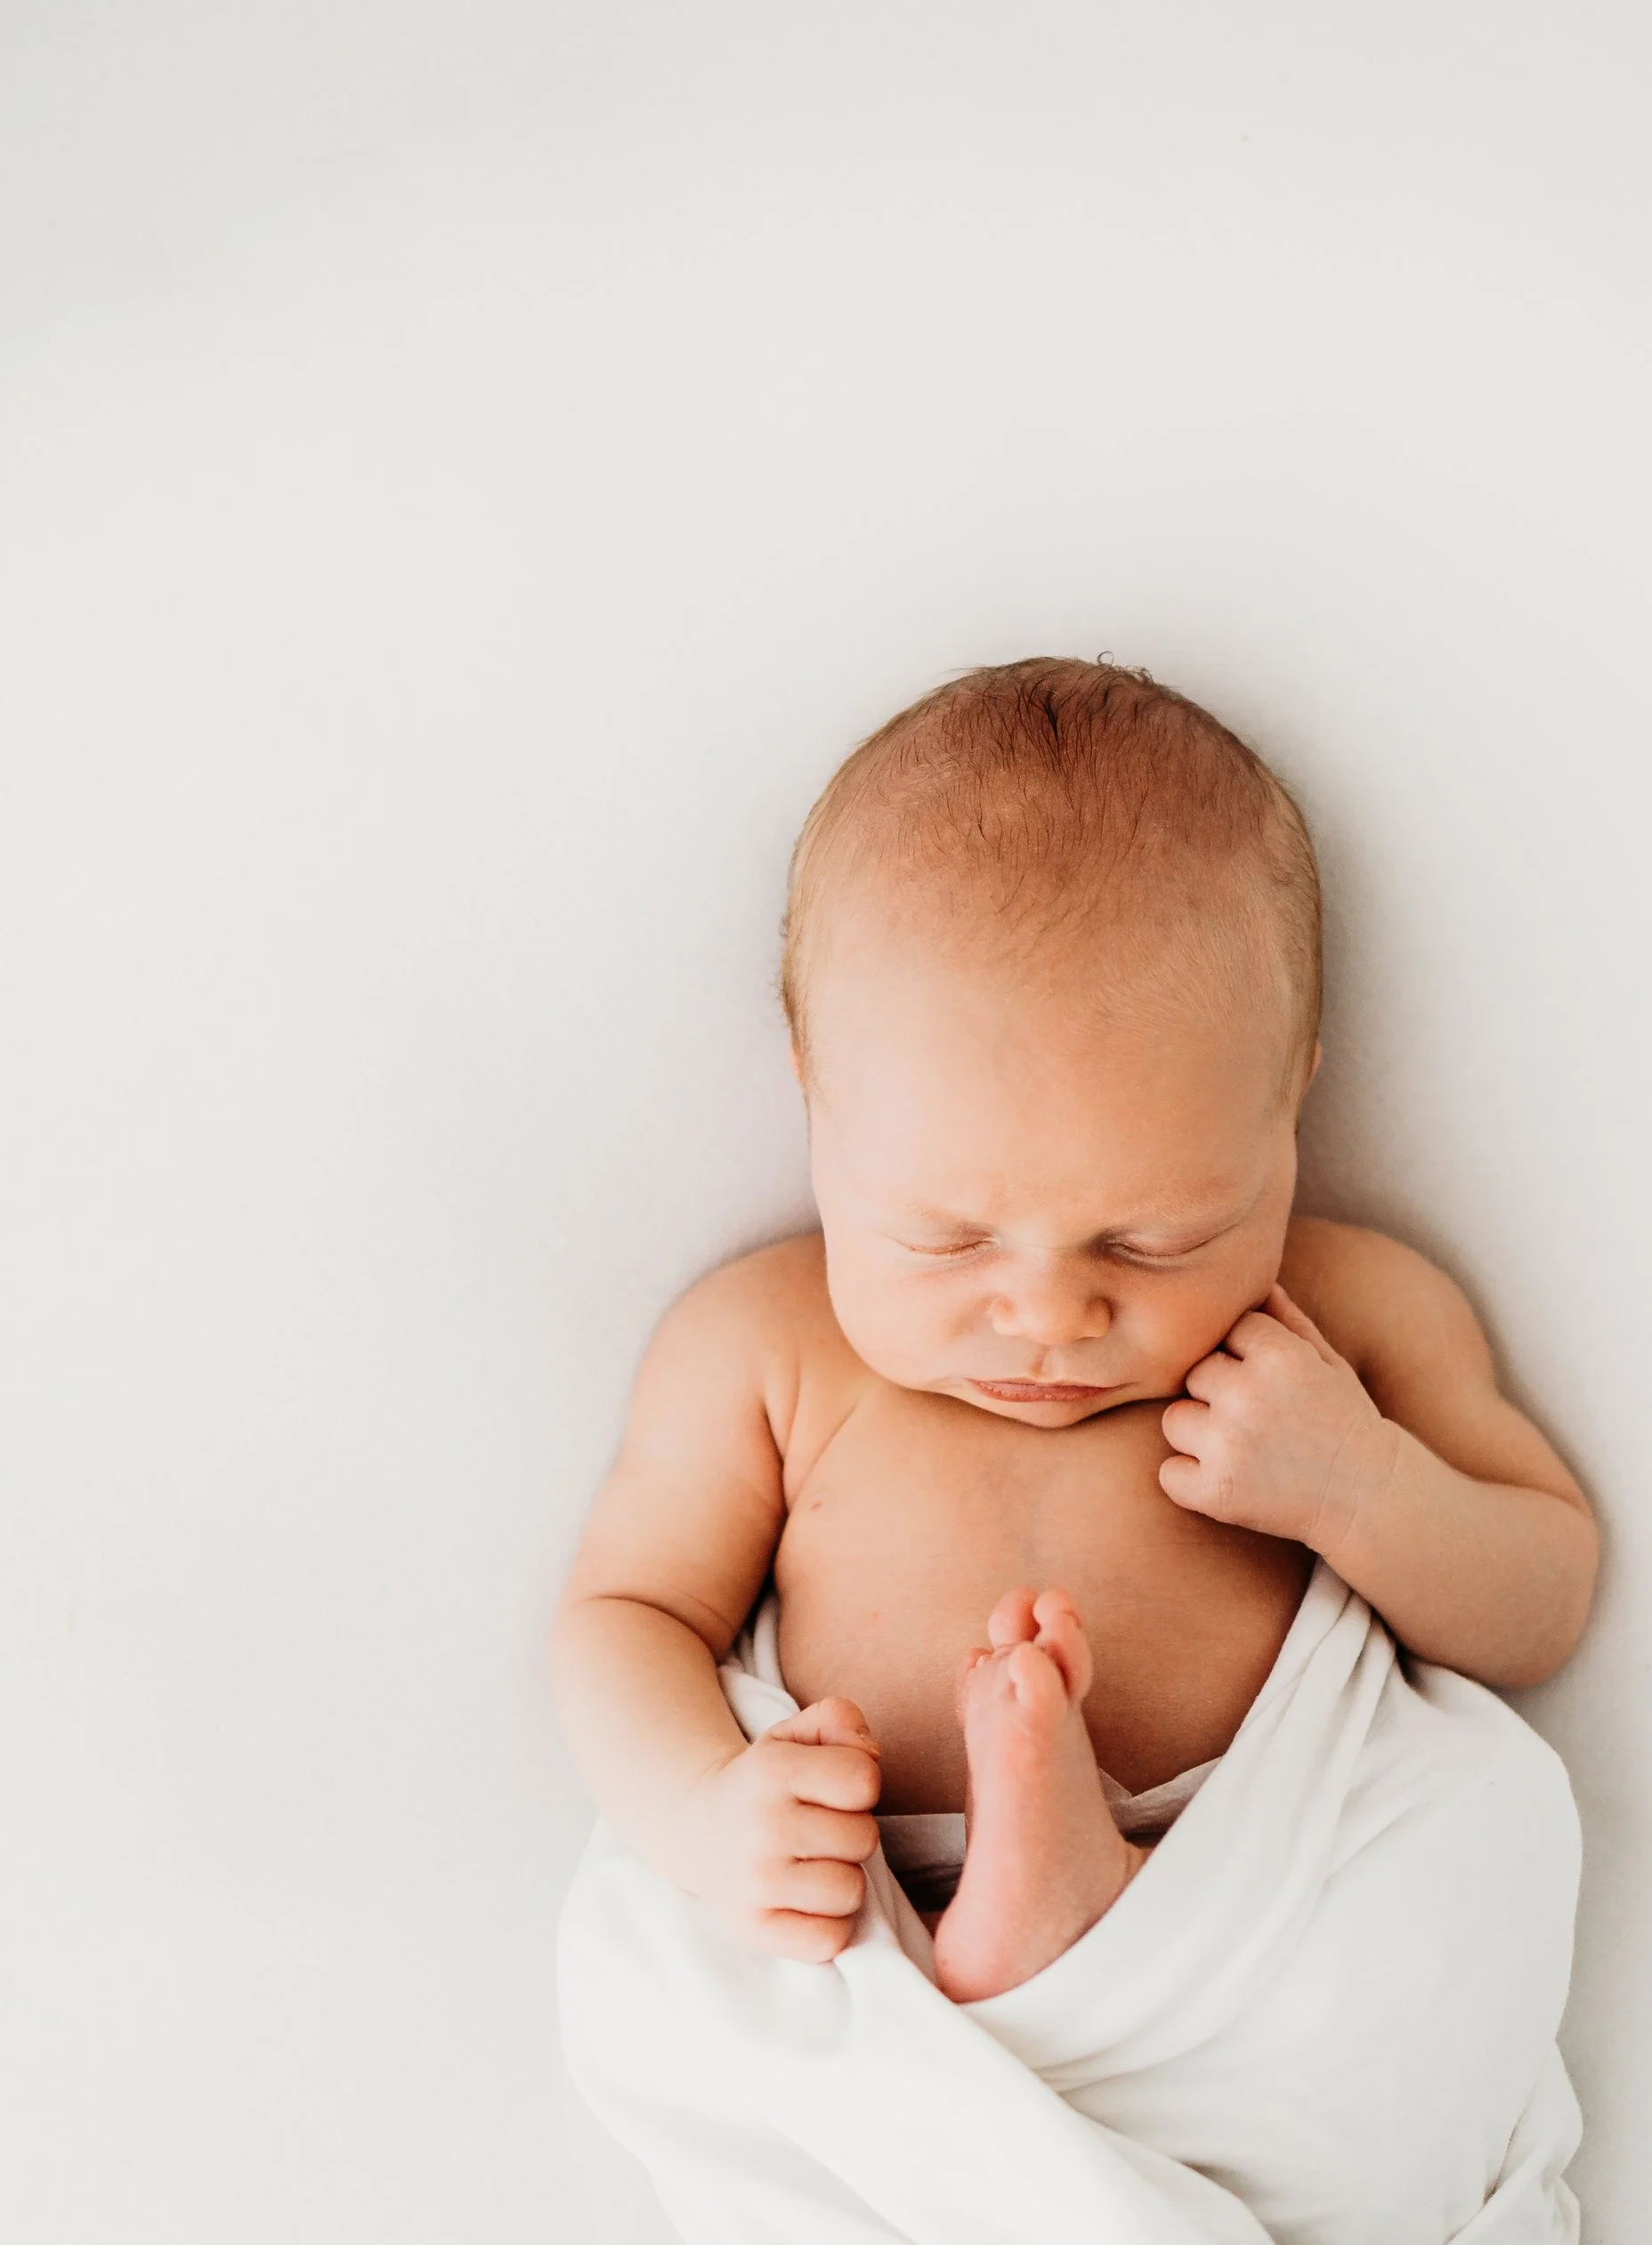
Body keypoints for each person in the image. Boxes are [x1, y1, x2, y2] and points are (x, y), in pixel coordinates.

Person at [549, 655, 1598, 2001]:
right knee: (663, 1990)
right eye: (949, 1238)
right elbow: (626, 1616)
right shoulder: (762, 1346)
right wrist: (704, 1809)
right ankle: (1031, 1900)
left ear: (1290, 1102)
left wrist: (1360, 1487)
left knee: (1482, 1847)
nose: (1048, 1316)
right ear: (817, 1098)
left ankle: (1097, 1890)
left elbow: (1542, 1598)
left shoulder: (1349, 1315)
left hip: (1263, 1901)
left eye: (1153, 1241)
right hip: (871, 1924)